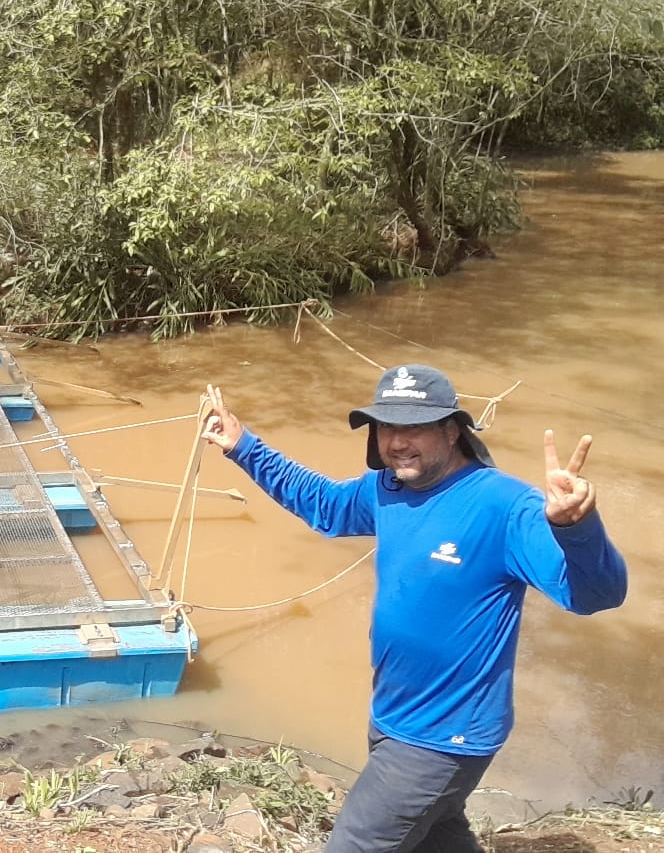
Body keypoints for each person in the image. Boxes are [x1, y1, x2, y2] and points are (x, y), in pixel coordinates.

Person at [200, 364, 627, 853]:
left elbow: (596, 595)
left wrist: (577, 528)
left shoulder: (506, 507)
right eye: (387, 427)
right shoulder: (389, 490)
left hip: (446, 734)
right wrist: (244, 447)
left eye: (413, 427)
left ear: (452, 430)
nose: (397, 442)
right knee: (439, 835)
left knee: (356, 844)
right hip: (394, 713)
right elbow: (323, 503)